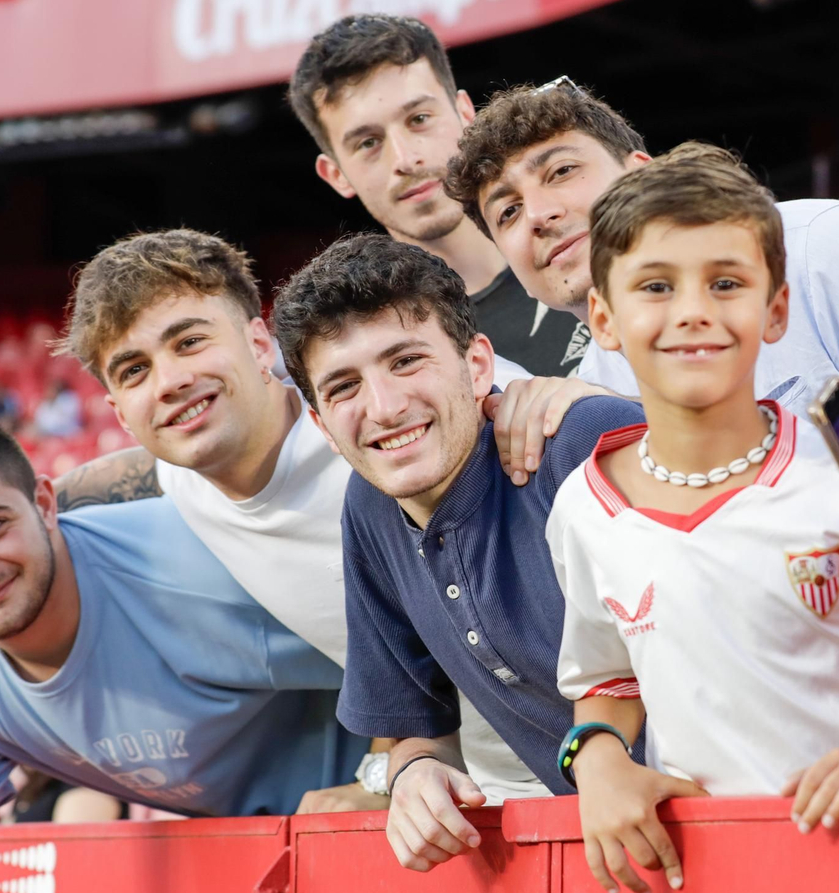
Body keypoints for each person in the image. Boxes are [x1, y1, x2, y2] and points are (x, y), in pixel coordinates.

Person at [53, 228, 545, 804]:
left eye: (189, 342)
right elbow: (119, 474)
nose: (170, 381)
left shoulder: (389, 424)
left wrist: (574, 401)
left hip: (620, 752)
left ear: (260, 345)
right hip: (476, 795)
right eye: (133, 370)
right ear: (118, 410)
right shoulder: (184, 478)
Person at [0, 411, 364, 893]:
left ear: (45, 504)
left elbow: (411, 617)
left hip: (408, 813)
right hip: (260, 865)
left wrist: (384, 772)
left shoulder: (190, 560)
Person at [551, 143, 839, 893]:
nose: (692, 312)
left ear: (775, 309)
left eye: (726, 282)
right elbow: (607, 674)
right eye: (656, 285)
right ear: (605, 319)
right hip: (710, 888)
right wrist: (599, 760)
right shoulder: (583, 506)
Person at [444, 80, 839, 527]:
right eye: (508, 212)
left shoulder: (822, 252)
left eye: (562, 171)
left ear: (640, 172)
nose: (541, 215)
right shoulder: (593, 398)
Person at [272, 232, 644, 874]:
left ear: (478, 367)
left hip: (752, 813)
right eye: (343, 388)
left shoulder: (576, 438)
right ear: (321, 425)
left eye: (406, 361)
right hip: (609, 862)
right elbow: (417, 721)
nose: (383, 408)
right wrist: (415, 772)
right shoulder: (368, 507)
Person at [289, 15, 590, 377]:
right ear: (336, 174)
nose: (404, 159)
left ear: (465, 113)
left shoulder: (591, 248)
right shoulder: (380, 358)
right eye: (368, 143)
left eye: (419, 119)